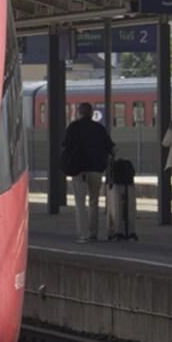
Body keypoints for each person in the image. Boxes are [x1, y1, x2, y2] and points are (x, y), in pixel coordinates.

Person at [61, 103, 115, 242]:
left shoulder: (73, 127)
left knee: (80, 202)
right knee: (94, 201)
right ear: (91, 114)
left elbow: (65, 146)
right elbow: (110, 147)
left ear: (79, 113)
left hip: (78, 169)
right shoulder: (99, 128)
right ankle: (93, 233)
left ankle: (83, 233)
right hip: (96, 170)